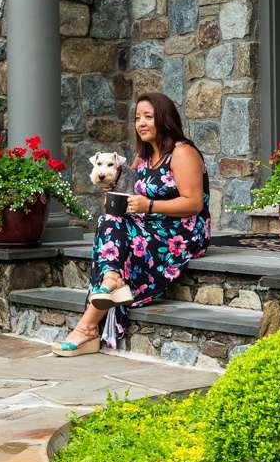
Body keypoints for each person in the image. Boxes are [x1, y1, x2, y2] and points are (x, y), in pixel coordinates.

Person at [53, 92, 211, 355]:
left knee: (113, 238)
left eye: (148, 117)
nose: (141, 123)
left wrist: (148, 206)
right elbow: (129, 196)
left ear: (165, 119)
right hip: (149, 224)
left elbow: (194, 203)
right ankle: (111, 281)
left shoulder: (183, 152)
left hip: (182, 231)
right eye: (138, 118)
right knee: (109, 223)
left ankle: (88, 326)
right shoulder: (143, 156)